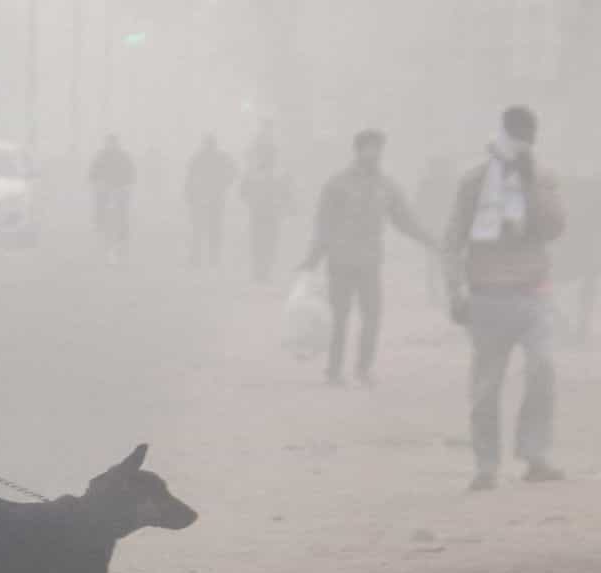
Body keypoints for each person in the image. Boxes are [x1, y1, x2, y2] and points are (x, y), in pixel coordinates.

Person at [444, 106, 566, 491]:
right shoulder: (474, 180)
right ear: (502, 134)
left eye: (526, 135)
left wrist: (531, 185)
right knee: (486, 386)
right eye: (515, 133)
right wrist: (455, 288)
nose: (519, 142)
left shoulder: (543, 177)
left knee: (542, 370)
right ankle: (486, 464)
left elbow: (553, 228)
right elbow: (453, 239)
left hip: (533, 291)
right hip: (487, 295)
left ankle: (535, 455)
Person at [301, 129, 434, 387]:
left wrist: (431, 241)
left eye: (378, 148)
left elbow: (405, 221)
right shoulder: (337, 184)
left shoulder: (387, 186)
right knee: (339, 317)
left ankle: (364, 368)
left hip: (370, 262)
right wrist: (313, 258)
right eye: (369, 148)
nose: (374, 153)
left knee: (372, 316)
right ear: (358, 150)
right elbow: (324, 224)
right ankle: (334, 370)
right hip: (340, 260)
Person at [239, 143, 295, 283]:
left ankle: (262, 270)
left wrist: (285, 204)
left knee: (265, 242)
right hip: (263, 213)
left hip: (267, 213)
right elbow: (243, 191)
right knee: (263, 242)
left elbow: (287, 194)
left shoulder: (277, 174)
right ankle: (260, 270)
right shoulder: (270, 174)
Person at [184, 134, 237, 268]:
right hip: (215, 197)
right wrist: (224, 184)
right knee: (213, 228)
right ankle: (212, 258)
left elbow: (189, 178)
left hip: (202, 198)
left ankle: (197, 257)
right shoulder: (221, 158)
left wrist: (189, 195)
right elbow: (233, 172)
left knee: (199, 228)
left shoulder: (198, 158)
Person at [416, 155, 459, 308]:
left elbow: (420, 206)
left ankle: (439, 293)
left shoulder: (431, 184)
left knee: (438, 262)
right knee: (441, 262)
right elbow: (421, 207)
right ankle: (440, 293)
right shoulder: (451, 183)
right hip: (441, 228)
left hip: (443, 227)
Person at [88, 134, 138, 265]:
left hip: (119, 189)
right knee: (101, 207)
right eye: (110, 143)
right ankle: (99, 224)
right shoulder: (101, 156)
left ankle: (123, 232)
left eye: (113, 143)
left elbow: (132, 172)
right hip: (105, 189)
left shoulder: (123, 156)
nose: (111, 145)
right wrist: (96, 183)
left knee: (122, 212)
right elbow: (92, 173)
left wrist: (128, 185)